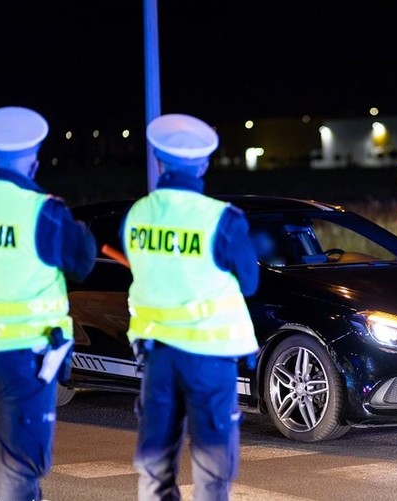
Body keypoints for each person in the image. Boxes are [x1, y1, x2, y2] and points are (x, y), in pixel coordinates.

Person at [121, 113, 260, 501]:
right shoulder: (222, 219)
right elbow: (250, 281)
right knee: (212, 467)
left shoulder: (137, 215)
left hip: (158, 355)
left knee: (155, 462)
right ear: (203, 164)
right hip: (210, 360)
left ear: (160, 161)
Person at [0, 106, 97, 501]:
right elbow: (83, 261)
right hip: (25, 361)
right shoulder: (44, 212)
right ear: (34, 163)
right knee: (17, 469)